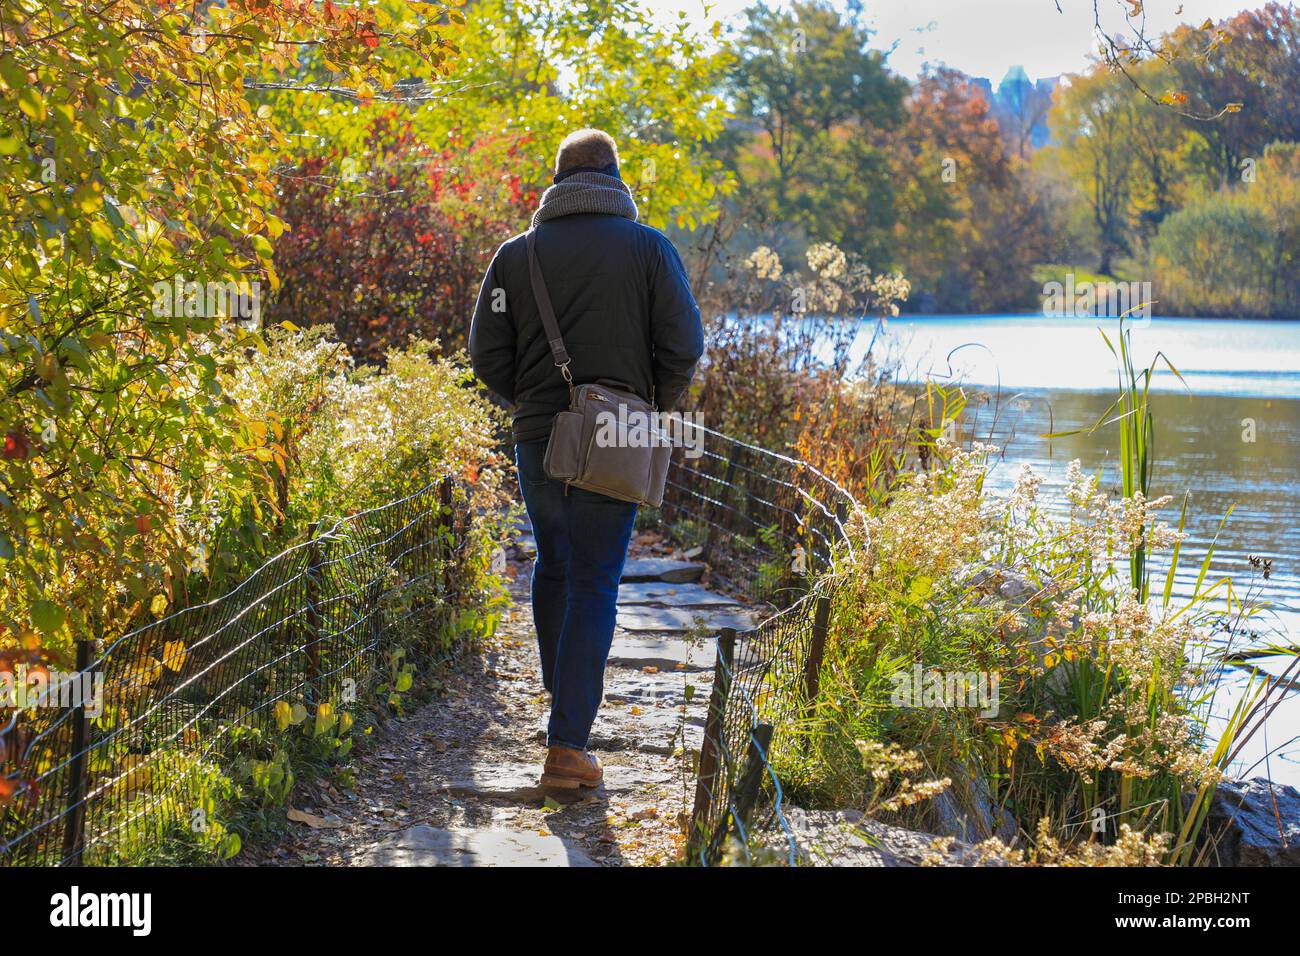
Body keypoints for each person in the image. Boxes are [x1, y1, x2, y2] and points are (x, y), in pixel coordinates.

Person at [469, 129, 703, 789]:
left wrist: (538, 405)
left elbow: (485, 353)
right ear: (616, 177)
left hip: (540, 437)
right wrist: (647, 405)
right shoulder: (651, 249)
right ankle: (568, 745)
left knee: (556, 564)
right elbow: (684, 343)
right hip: (621, 433)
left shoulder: (516, 256)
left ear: (556, 180)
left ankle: (563, 704)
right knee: (596, 580)